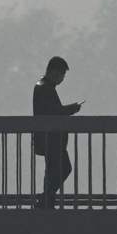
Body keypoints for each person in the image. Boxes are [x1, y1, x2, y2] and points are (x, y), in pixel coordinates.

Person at [32, 56, 82, 209]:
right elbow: (54, 112)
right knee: (63, 168)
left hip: (50, 138)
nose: (62, 79)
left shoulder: (44, 87)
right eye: (62, 75)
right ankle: (46, 198)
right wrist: (72, 109)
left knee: (52, 171)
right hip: (51, 138)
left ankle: (46, 201)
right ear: (54, 72)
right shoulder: (44, 88)